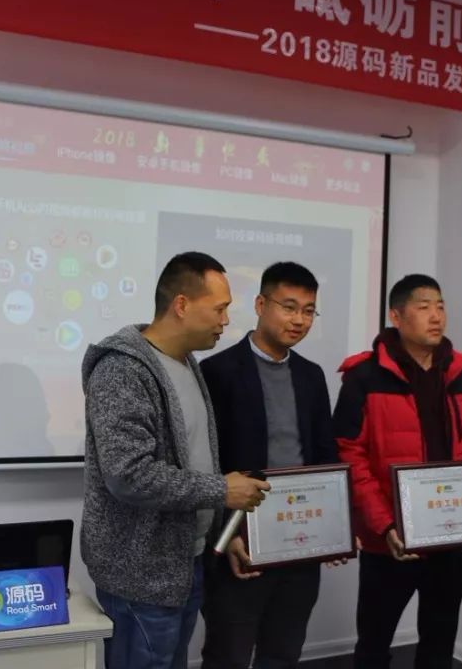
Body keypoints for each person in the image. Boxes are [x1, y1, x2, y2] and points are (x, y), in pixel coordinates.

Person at [81, 251, 271, 669]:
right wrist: (223, 490)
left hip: (185, 564)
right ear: (181, 304)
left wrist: (222, 532)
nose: (226, 321)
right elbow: (128, 475)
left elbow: (197, 460)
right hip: (141, 576)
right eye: (219, 309)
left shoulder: (186, 363)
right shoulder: (122, 370)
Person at [333, 274, 462, 669]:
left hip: (452, 536)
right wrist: (384, 524)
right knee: (374, 644)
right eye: (424, 307)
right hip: (392, 540)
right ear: (397, 316)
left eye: (440, 306)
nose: (436, 316)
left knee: (439, 644)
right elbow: (350, 456)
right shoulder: (364, 377)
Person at [199, 261, 338, 669]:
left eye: (308, 311)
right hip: (240, 543)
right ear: (261, 305)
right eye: (289, 307)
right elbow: (206, 465)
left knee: (283, 652)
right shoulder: (217, 372)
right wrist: (225, 533)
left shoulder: (311, 376)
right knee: (228, 655)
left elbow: (324, 455)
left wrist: (335, 526)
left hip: (300, 543)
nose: (299, 320)